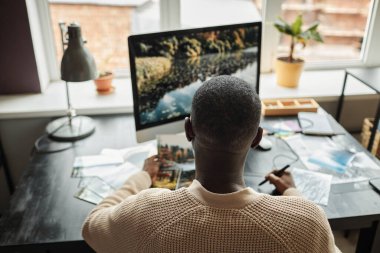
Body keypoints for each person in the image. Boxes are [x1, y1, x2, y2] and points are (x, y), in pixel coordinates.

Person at [82, 75, 340, 253]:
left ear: (188, 130)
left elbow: (92, 226)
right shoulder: (307, 222)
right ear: (257, 138)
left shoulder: (146, 213)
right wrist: (293, 194)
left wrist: (141, 178)